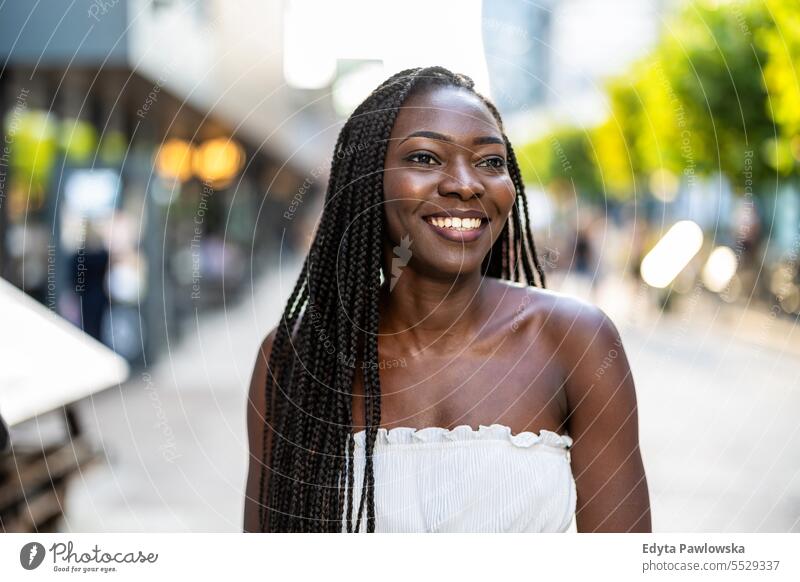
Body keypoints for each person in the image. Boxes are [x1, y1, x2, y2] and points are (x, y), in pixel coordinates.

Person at [243, 66, 651, 533]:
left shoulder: (576, 342)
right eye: (425, 157)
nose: (466, 183)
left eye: (490, 161)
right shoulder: (296, 359)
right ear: (366, 183)